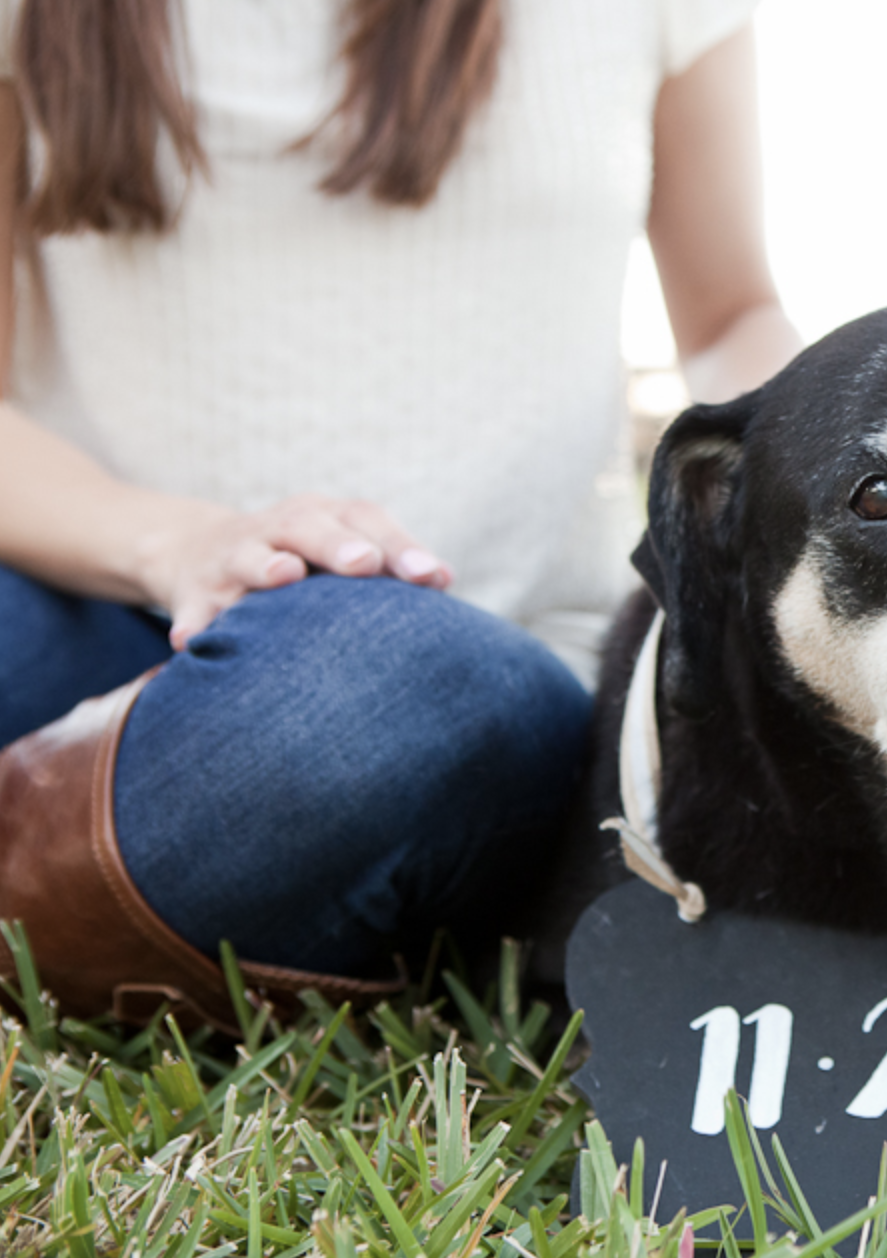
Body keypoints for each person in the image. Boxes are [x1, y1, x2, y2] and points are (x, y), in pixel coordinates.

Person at [0, 0, 801, 1030]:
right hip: (102, 614)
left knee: (377, 689)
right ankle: (101, 864)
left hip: (446, 676)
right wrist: (179, 544)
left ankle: (93, 859)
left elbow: (733, 316)